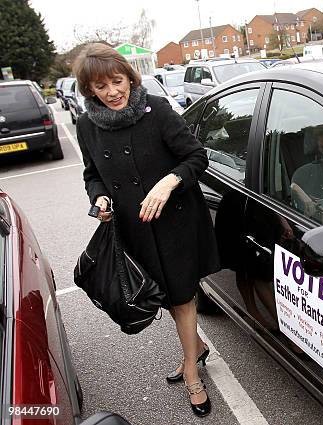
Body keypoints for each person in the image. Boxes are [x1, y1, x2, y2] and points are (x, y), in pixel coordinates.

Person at [72, 43, 219, 417]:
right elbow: (92, 174)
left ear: (130, 77)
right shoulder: (87, 125)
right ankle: (196, 349)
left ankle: (191, 373)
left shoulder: (157, 111)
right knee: (167, 296)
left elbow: (196, 156)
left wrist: (170, 181)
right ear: (90, 90)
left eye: (117, 81)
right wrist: (100, 199)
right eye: (101, 87)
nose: (112, 92)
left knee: (182, 295)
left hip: (176, 223)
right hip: (133, 228)